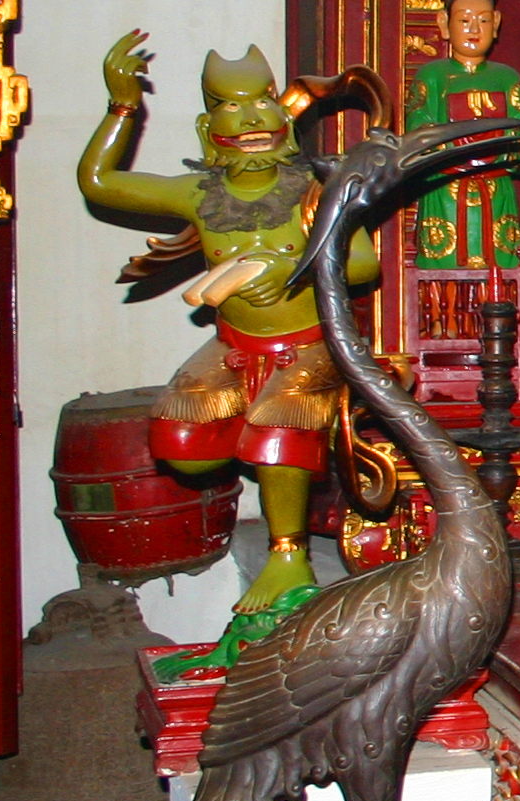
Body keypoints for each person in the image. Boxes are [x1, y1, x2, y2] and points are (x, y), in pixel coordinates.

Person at [76, 37, 380, 624]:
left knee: (276, 428)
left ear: (283, 115)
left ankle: (288, 554)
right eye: (231, 105)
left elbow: (365, 262)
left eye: (262, 101)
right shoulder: (199, 195)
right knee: (180, 443)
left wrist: (292, 271)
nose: (251, 117)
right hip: (234, 345)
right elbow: (99, 182)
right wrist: (121, 106)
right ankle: (260, 463)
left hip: (313, 344)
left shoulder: (318, 186)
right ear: (206, 125)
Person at [406, 0, 520, 269]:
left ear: (496, 23)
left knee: (499, 268)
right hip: (446, 188)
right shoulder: (432, 75)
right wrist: (455, 147)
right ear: (444, 24)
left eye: (484, 20)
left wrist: (504, 145)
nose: (474, 28)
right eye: (464, 20)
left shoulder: (507, 78)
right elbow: (418, 126)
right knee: (444, 268)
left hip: (495, 187)